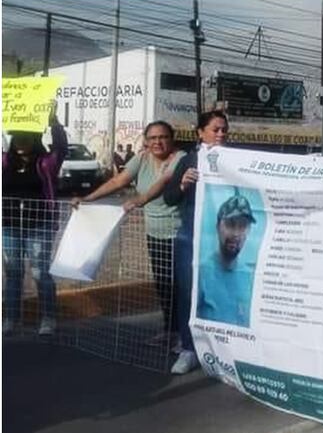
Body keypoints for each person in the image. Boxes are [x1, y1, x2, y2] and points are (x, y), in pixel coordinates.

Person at [73, 121, 186, 347]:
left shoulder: (180, 158)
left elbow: (163, 182)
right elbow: (119, 181)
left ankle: (185, 336)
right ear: (145, 141)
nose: (158, 142)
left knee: (181, 286)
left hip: (179, 234)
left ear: (172, 139)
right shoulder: (142, 158)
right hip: (154, 232)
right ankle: (169, 331)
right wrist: (87, 198)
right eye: (152, 138)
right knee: (163, 284)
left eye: (163, 137)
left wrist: (139, 200)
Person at [163, 109, 229, 374]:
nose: (221, 134)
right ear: (200, 132)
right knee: (189, 293)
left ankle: (222, 349)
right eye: (216, 129)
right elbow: (169, 198)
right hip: (191, 235)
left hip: (220, 238)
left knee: (220, 293)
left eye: (225, 130)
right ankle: (189, 348)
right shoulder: (189, 160)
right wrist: (182, 184)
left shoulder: (235, 159)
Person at [2, 113, 67, 336]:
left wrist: (54, 122)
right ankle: (11, 318)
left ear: (35, 138)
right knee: (12, 272)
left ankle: (48, 317)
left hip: (39, 225)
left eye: (26, 136)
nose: (21, 140)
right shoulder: (4, 161)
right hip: (9, 225)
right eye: (17, 136)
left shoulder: (46, 163)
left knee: (40, 272)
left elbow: (61, 148)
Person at [197, 189, 256, 327]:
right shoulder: (201, 273)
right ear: (218, 227)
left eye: (242, 226)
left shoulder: (251, 277)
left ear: (248, 231)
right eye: (230, 224)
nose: (236, 233)